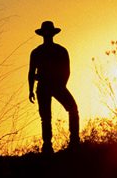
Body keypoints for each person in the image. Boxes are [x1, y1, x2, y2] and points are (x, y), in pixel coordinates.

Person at [28, 21, 80, 154]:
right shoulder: (55, 51)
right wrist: (30, 89)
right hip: (49, 86)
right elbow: (31, 72)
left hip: (52, 85)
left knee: (69, 109)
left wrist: (61, 85)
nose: (47, 35)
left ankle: (72, 141)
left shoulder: (44, 51)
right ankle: (49, 146)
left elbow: (66, 70)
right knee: (47, 116)